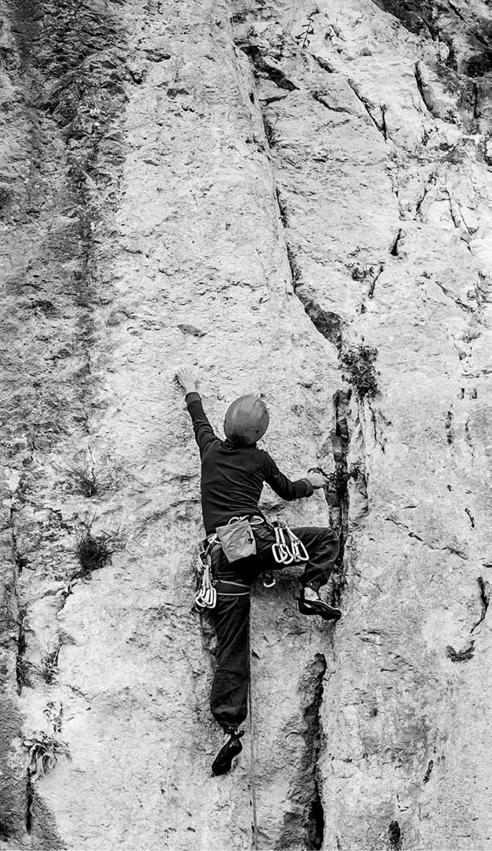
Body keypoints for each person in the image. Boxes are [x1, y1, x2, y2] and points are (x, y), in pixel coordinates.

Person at [176, 368, 340, 775]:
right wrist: (313, 483)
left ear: (227, 428)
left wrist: (190, 387)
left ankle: (231, 728)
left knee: (232, 648)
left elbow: (200, 422)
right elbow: (287, 490)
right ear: (259, 435)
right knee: (326, 539)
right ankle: (309, 590)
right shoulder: (260, 459)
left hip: (224, 559)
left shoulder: (210, 450)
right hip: (260, 544)